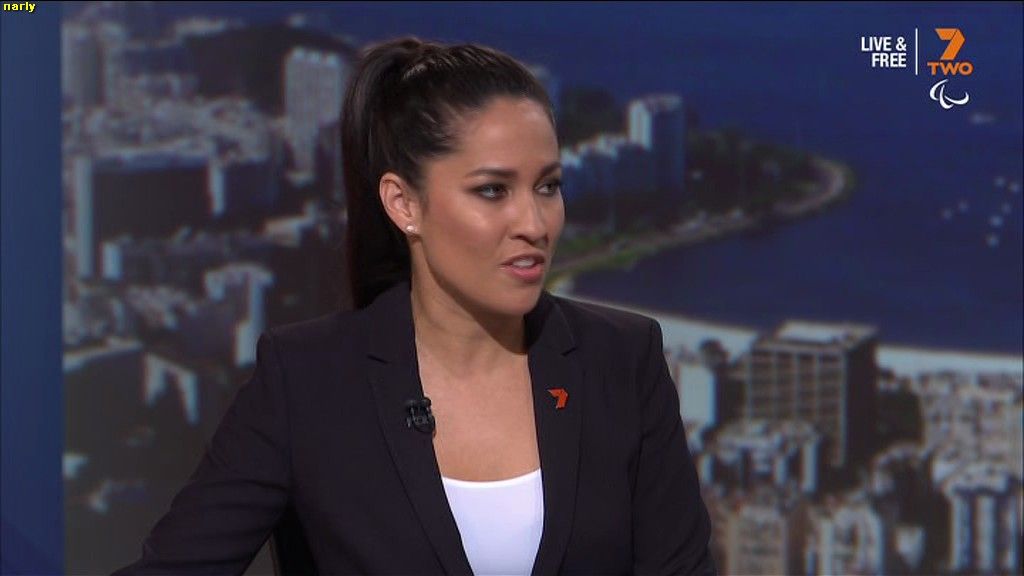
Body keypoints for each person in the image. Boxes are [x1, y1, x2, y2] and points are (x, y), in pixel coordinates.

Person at [113, 36, 715, 576]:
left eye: (548, 187)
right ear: (404, 204)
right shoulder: (306, 380)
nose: (534, 224)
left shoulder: (622, 361)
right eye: (492, 190)